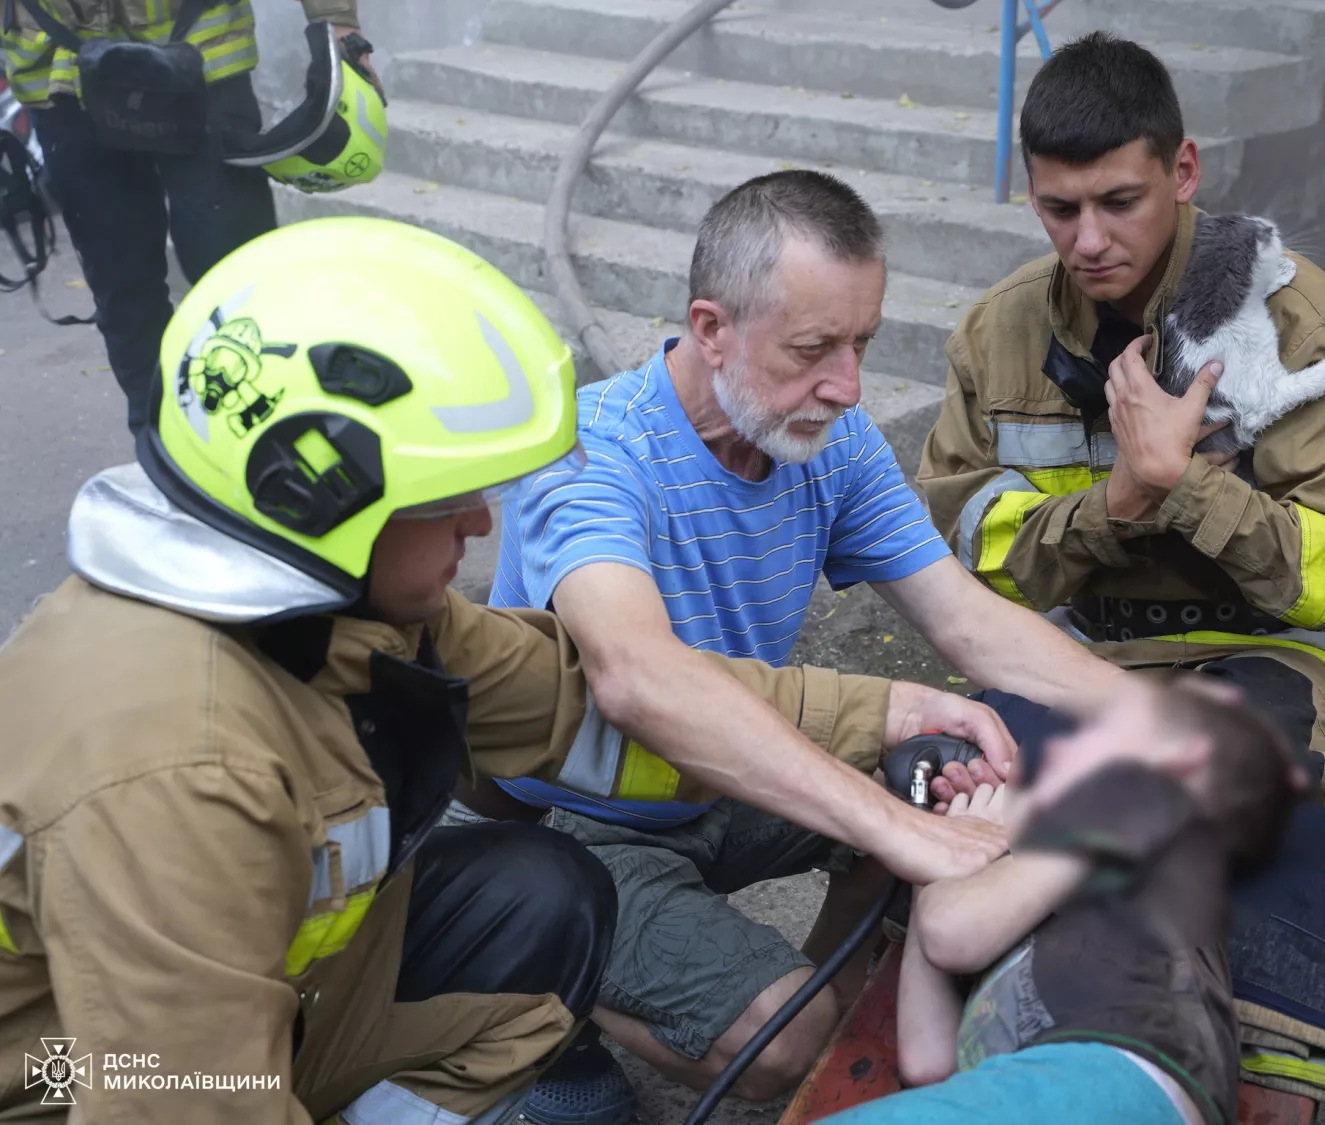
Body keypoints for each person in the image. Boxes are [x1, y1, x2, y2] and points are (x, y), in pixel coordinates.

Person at [0, 217, 1012, 1124]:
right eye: (447, 500)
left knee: (541, 899)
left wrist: (886, 709)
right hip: (71, 1075)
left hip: (266, 1006)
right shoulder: (175, 761)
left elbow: (579, 705)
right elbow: (177, 1099)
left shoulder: (349, 609)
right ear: (321, 498)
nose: (482, 523)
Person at [482, 169, 1130, 1124]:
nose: (849, 385)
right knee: (780, 1031)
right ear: (711, 328)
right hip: (584, 818)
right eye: (815, 348)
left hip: (725, 780)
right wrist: (899, 832)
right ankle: (529, 1001)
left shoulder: (830, 437)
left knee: (932, 770)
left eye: (861, 343)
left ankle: (829, 994)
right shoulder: (591, 453)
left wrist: (1162, 720)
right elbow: (637, 678)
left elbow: (963, 617)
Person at [916, 32, 1325, 803]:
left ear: (1183, 171)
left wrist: (1184, 484)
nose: (1088, 241)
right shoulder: (996, 335)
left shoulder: (1309, 334)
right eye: (1059, 208)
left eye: (1119, 203)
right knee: (965, 805)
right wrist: (1118, 506)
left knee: (1214, 822)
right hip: (1083, 648)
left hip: (1271, 654)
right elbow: (966, 557)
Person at [823, 676, 1307, 1125]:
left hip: (1108, 1083)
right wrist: (943, 855)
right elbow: (928, 1061)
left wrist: (963, 842)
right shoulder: (1043, 886)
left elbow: (952, 933)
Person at [0, 0, 377, 435]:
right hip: (58, 72)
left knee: (237, 280)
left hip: (200, 50)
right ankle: (164, 448)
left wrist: (338, 23)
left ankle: (275, 443)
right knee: (123, 290)